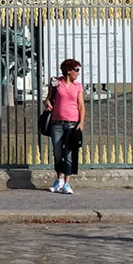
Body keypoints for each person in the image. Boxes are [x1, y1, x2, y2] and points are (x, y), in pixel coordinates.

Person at [43, 57, 84, 194]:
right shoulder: (56, 84)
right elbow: (48, 98)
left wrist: (81, 122)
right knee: (58, 152)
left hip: (72, 123)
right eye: (76, 70)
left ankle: (67, 182)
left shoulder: (77, 86)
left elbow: (81, 106)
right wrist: (47, 103)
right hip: (57, 123)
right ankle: (58, 179)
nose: (78, 73)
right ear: (68, 71)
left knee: (69, 154)